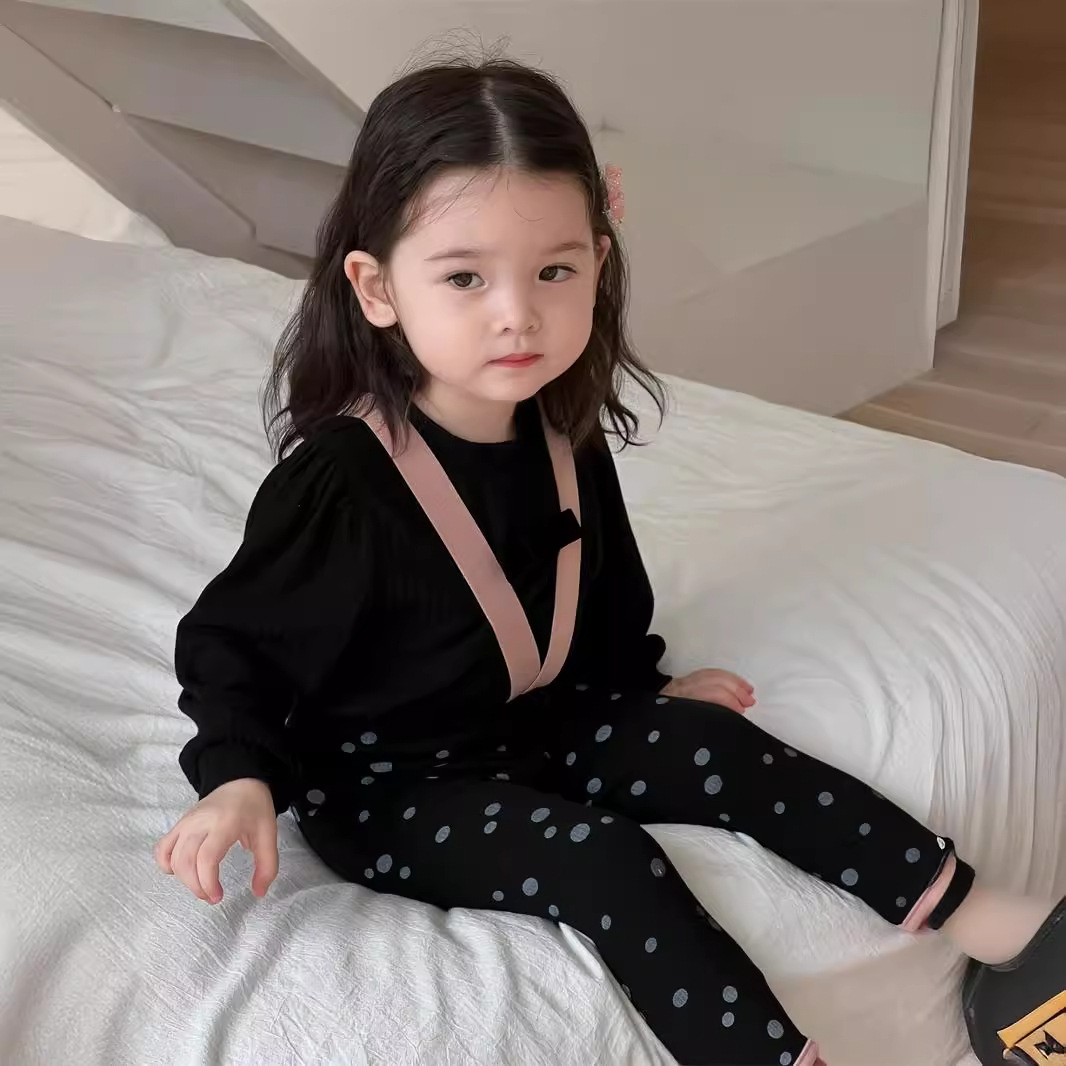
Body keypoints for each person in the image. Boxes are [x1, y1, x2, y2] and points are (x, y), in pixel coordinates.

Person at [156, 57, 1064, 1066]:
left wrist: (645, 686)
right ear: (376, 289)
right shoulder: (341, 481)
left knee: (721, 749)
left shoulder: (560, 431)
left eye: (553, 272)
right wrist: (237, 776)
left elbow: (597, 588)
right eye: (464, 278)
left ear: (597, 262)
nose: (517, 313)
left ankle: (997, 924)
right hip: (390, 785)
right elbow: (232, 645)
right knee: (606, 862)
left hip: (540, 716)